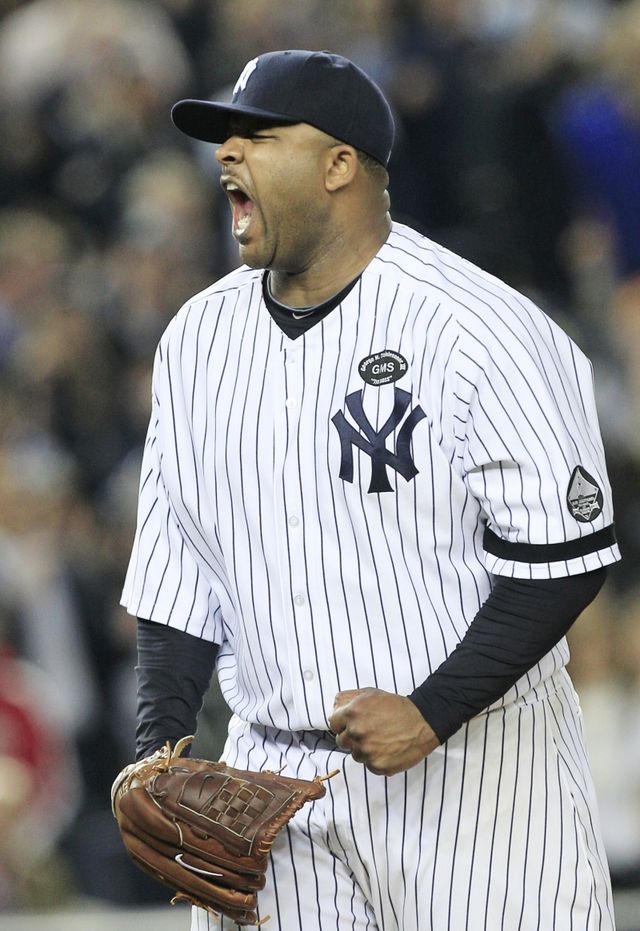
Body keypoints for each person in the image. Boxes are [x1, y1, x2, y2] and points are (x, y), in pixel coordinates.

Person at [121, 50, 621, 930]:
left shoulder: (482, 327)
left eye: (258, 136)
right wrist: (156, 750)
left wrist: (431, 711)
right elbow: (178, 576)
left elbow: (565, 557)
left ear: (339, 165)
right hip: (270, 789)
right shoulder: (197, 339)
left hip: (478, 775)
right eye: (224, 138)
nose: (227, 153)